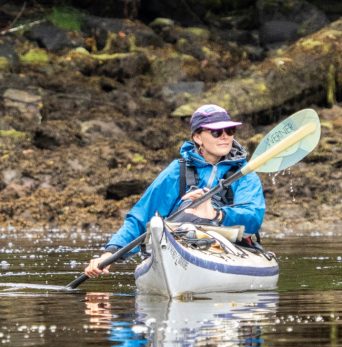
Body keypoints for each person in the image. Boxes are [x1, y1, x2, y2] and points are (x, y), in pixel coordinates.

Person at [85, 104, 265, 278]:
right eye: (216, 132)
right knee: (184, 208)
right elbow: (141, 216)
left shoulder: (245, 174)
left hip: (231, 246)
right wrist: (110, 252)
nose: (225, 137)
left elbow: (253, 217)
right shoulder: (177, 171)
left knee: (198, 210)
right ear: (197, 138)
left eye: (230, 131)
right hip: (183, 240)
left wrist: (216, 215)